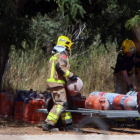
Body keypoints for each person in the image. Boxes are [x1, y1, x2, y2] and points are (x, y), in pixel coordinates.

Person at [42, 35, 78, 132]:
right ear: (66, 45)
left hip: (54, 83)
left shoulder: (54, 56)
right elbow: (60, 67)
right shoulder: (62, 55)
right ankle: (48, 124)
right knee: (60, 104)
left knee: (64, 104)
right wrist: (71, 75)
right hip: (57, 83)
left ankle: (68, 124)